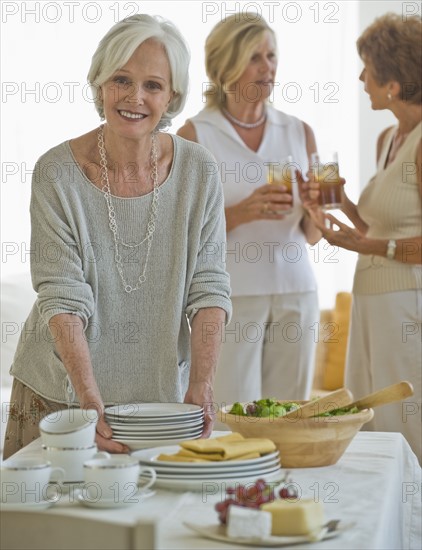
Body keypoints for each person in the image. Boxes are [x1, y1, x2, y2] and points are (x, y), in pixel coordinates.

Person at [3, 14, 232, 459]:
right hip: (59, 395)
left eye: (153, 85)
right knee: (42, 525)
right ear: (100, 84)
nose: (134, 98)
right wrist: (88, 400)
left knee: (149, 522)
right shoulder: (57, 174)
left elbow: (209, 288)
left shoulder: (199, 171)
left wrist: (202, 385)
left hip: (160, 397)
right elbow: (62, 295)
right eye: (121, 80)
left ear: (172, 97)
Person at [177, 14, 321, 408]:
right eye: (254, 57)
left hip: (297, 291)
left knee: (291, 416)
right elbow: (179, 235)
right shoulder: (194, 136)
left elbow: (312, 233)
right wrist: (240, 212)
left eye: (271, 55)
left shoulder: (299, 131)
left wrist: (315, 207)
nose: (268, 67)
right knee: (231, 414)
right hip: (229, 295)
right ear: (225, 65)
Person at [308, 13, 421, 461]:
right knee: (371, 420)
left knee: (406, 424)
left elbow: (382, 242)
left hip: (407, 304)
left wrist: (366, 245)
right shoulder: (389, 139)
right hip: (372, 300)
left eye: (367, 69)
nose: (360, 77)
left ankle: (415, 526)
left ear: (392, 80)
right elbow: (380, 228)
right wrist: (337, 204)